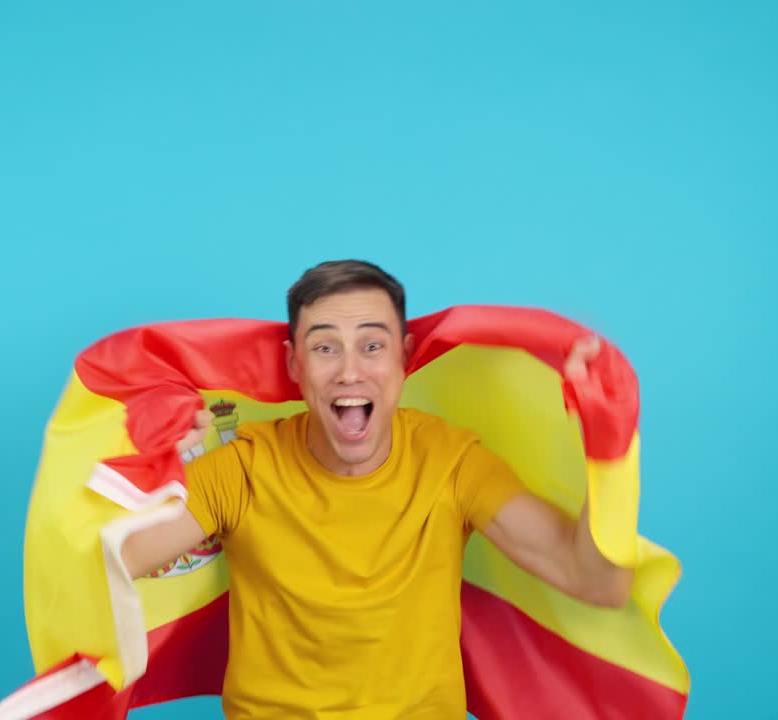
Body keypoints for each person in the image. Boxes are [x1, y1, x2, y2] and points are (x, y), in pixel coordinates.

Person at [119, 260, 634, 719]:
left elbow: (599, 584)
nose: (349, 371)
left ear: (403, 358)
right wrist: (150, 462)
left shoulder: (452, 463)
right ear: (295, 365)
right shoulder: (243, 468)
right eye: (325, 348)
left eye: (372, 346)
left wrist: (609, 449)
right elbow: (112, 563)